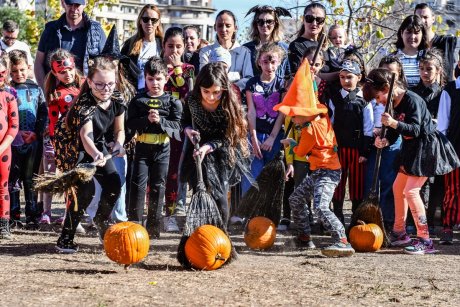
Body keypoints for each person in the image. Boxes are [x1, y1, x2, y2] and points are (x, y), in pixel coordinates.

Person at [363, 68, 460, 254]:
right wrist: (386, 139)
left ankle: (425, 240)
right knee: (398, 188)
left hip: (426, 149)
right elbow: (394, 131)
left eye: (378, 97)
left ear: (386, 88)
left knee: (411, 191)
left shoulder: (412, 100)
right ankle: (400, 232)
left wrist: (393, 123)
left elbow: (416, 129)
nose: (378, 101)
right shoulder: (392, 103)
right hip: (409, 149)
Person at [276, 59, 355, 257]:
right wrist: (310, 78)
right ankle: (304, 237)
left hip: (328, 172)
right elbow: (311, 97)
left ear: (305, 114)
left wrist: (291, 144)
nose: (292, 118)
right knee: (296, 198)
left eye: (295, 115)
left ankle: (341, 240)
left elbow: (301, 153)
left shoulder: (310, 129)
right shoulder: (321, 115)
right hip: (320, 171)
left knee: (320, 206)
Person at [55, 56, 126, 253]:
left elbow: (120, 130)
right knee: (85, 193)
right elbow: (86, 136)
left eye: (110, 84)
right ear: (89, 82)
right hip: (76, 148)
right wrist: (95, 155)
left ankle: (101, 220)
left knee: (113, 182)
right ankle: (65, 238)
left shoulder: (117, 99)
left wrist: (119, 144)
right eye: (100, 84)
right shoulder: (85, 104)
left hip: (99, 145)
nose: (106, 89)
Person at [181, 62, 251, 229]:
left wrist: (209, 147)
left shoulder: (229, 105)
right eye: (206, 92)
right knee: (199, 189)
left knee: (219, 193)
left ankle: (221, 233)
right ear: (199, 88)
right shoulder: (192, 99)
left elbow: (228, 137)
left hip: (221, 148)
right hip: (197, 147)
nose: (211, 97)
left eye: (216, 93)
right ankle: (200, 232)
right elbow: (184, 121)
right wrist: (188, 130)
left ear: (223, 90)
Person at [127, 56, 182, 238]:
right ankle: (135, 223)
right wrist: (145, 120)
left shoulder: (173, 102)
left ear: (166, 78)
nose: (155, 83)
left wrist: (161, 121)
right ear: (145, 78)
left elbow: (177, 127)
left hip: (162, 149)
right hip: (142, 148)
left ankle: (153, 227)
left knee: (158, 186)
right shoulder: (138, 100)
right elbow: (130, 124)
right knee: (138, 185)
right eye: (151, 79)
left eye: (159, 79)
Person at [282, 47, 325, 236]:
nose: (313, 67)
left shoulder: (323, 88)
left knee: (319, 188)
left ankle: (319, 220)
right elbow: (289, 127)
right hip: (299, 151)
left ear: (322, 65)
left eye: (316, 64)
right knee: (300, 187)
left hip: (318, 151)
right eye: (309, 64)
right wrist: (289, 161)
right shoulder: (297, 85)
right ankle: (302, 222)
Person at [41, 49, 84, 225]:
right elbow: (52, 120)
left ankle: (70, 213)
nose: (67, 74)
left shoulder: (85, 86)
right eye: (62, 72)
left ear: (74, 66)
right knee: (51, 175)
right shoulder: (55, 93)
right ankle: (46, 212)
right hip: (59, 140)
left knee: (73, 178)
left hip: (81, 140)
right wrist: (52, 142)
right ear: (55, 73)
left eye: (70, 69)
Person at [327, 60, 373, 224]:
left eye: (349, 77)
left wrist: (364, 151)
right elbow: (330, 124)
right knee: (337, 182)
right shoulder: (335, 98)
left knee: (357, 184)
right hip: (338, 149)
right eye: (342, 77)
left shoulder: (364, 100)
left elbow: (368, 128)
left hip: (356, 150)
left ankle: (356, 217)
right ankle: (337, 214)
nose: (346, 80)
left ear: (359, 77)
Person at [363, 55, 405, 232]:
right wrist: (373, 133)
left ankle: (388, 220)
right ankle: (368, 218)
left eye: (392, 73)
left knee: (389, 181)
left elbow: (400, 122)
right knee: (372, 179)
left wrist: (388, 135)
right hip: (375, 140)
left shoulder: (401, 97)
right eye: (385, 72)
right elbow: (368, 114)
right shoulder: (374, 93)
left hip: (393, 140)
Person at [8, 50, 47, 229]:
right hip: (13, 142)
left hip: (33, 141)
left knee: (30, 179)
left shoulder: (36, 88)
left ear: (29, 67)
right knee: (13, 178)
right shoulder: (7, 90)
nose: (19, 74)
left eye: (22, 70)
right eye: (14, 71)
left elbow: (43, 113)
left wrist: (36, 133)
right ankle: (14, 215)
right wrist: (15, 134)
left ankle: (32, 215)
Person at [161, 27, 195, 232]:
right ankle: (159, 212)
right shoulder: (156, 67)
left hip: (179, 127)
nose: (174, 50)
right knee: (161, 171)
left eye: (178, 46)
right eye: (170, 46)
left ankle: (173, 213)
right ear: (163, 46)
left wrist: (178, 68)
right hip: (159, 125)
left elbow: (188, 95)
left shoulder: (189, 69)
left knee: (176, 170)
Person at [242, 43, 286, 195]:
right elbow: (251, 112)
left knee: (271, 179)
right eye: (265, 62)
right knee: (251, 177)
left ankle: (268, 215)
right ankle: (246, 214)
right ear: (259, 62)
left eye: (273, 62)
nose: (269, 66)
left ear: (279, 62)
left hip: (274, 136)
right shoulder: (252, 84)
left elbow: (282, 112)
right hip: (255, 134)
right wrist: (253, 138)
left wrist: (272, 137)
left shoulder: (282, 84)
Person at [34, 0, 107, 88]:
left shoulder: (97, 31)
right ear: (62, 3)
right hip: (56, 94)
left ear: (85, 4)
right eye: (70, 4)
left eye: (77, 5)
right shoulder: (50, 30)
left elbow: (106, 64)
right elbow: (39, 63)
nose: (73, 9)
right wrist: (45, 90)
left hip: (88, 93)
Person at [436, 62, 460, 245]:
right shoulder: (450, 90)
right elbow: (442, 124)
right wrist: (443, 149)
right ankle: (447, 226)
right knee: (453, 189)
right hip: (455, 148)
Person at [199, 10, 253, 91]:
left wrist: (230, 87)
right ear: (215, 27)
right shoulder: (205, 52)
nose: (224, 29)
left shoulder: (244, 52)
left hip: (237, 98)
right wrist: (236, 76)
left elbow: (248, 78)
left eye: (228, 25)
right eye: (220, 25)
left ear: (235, 28)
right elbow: (203, 77)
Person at [121, 4, 163, 91]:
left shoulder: (163, 45)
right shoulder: (130, 44)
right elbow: (122, 70)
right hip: (135, 95)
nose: (149, 23)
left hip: (158, 95)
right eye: (145, 19)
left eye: (153, 20)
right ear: (140, 21)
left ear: (158, 22)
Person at [243, 5, 291, 79]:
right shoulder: (246, 49)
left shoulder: (284, 48)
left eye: (269, 21)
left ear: (275, 23)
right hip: (252, 89)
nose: (265, 25)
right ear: (256, 24)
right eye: (260, 22)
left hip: (278, 89)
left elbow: (288, 76)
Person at [0, 54, 19, 239]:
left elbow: (14, 126)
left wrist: (1, 147)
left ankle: (3, 225)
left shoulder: (8, 97)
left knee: (2, 187)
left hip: (3, 149)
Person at [415, 3, 457, 81]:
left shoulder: (445, 42)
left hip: (444, 90)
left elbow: (451, 72)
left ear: (433, 19)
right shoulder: (412, 45)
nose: (422, 20)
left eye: (425, 17)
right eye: (418, 17)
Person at [287, 2, 327, 77]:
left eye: (319, 19)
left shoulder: (324, 46)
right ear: (303, 19)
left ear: (324, 22)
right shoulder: (296, 46)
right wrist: (337, 75)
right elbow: (301, 75)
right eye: (309, 18)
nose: (314, 23)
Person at [392, 15, 429, 87]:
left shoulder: (429, 58)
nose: (412, 36)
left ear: (422, 35)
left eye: (416, 33)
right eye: (408, 32)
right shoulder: (392, 59)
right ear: (402, 33)